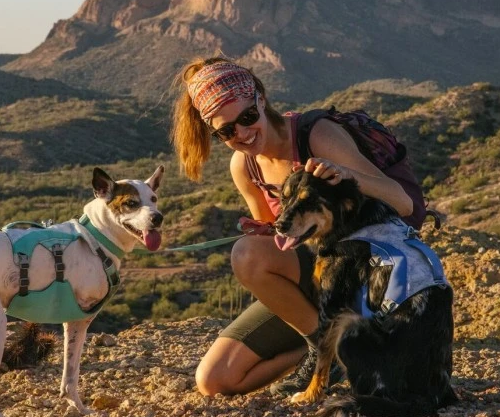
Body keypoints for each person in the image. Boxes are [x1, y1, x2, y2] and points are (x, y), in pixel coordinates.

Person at [171, 58, 419, 397]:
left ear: (260, 99)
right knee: (214, 381)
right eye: (226, 131)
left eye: (247, 117)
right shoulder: (244, 167)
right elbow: (279, 241)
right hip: (318, 283)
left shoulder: (317, 136)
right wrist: (266, 231)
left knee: (246, 254)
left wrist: (345, 175)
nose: (242, 133)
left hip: (367, 275)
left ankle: (333, 347)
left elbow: (403, 203)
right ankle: (325, 346)